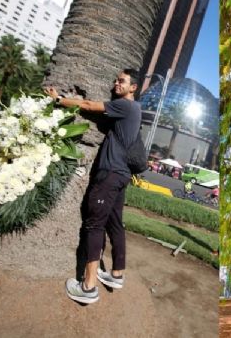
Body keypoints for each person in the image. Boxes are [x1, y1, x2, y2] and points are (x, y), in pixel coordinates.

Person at [45, 69, 141, 305]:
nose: (116, 83)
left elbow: (87, 105)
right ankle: (117, 273)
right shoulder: (133, 110)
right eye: (116, 79)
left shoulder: (126, 106)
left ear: (133, 88)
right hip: (121, 175)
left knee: (94, 225)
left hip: (109, 175)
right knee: (115, 222)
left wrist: (58, 99)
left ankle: (88, 287)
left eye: (122, 81)